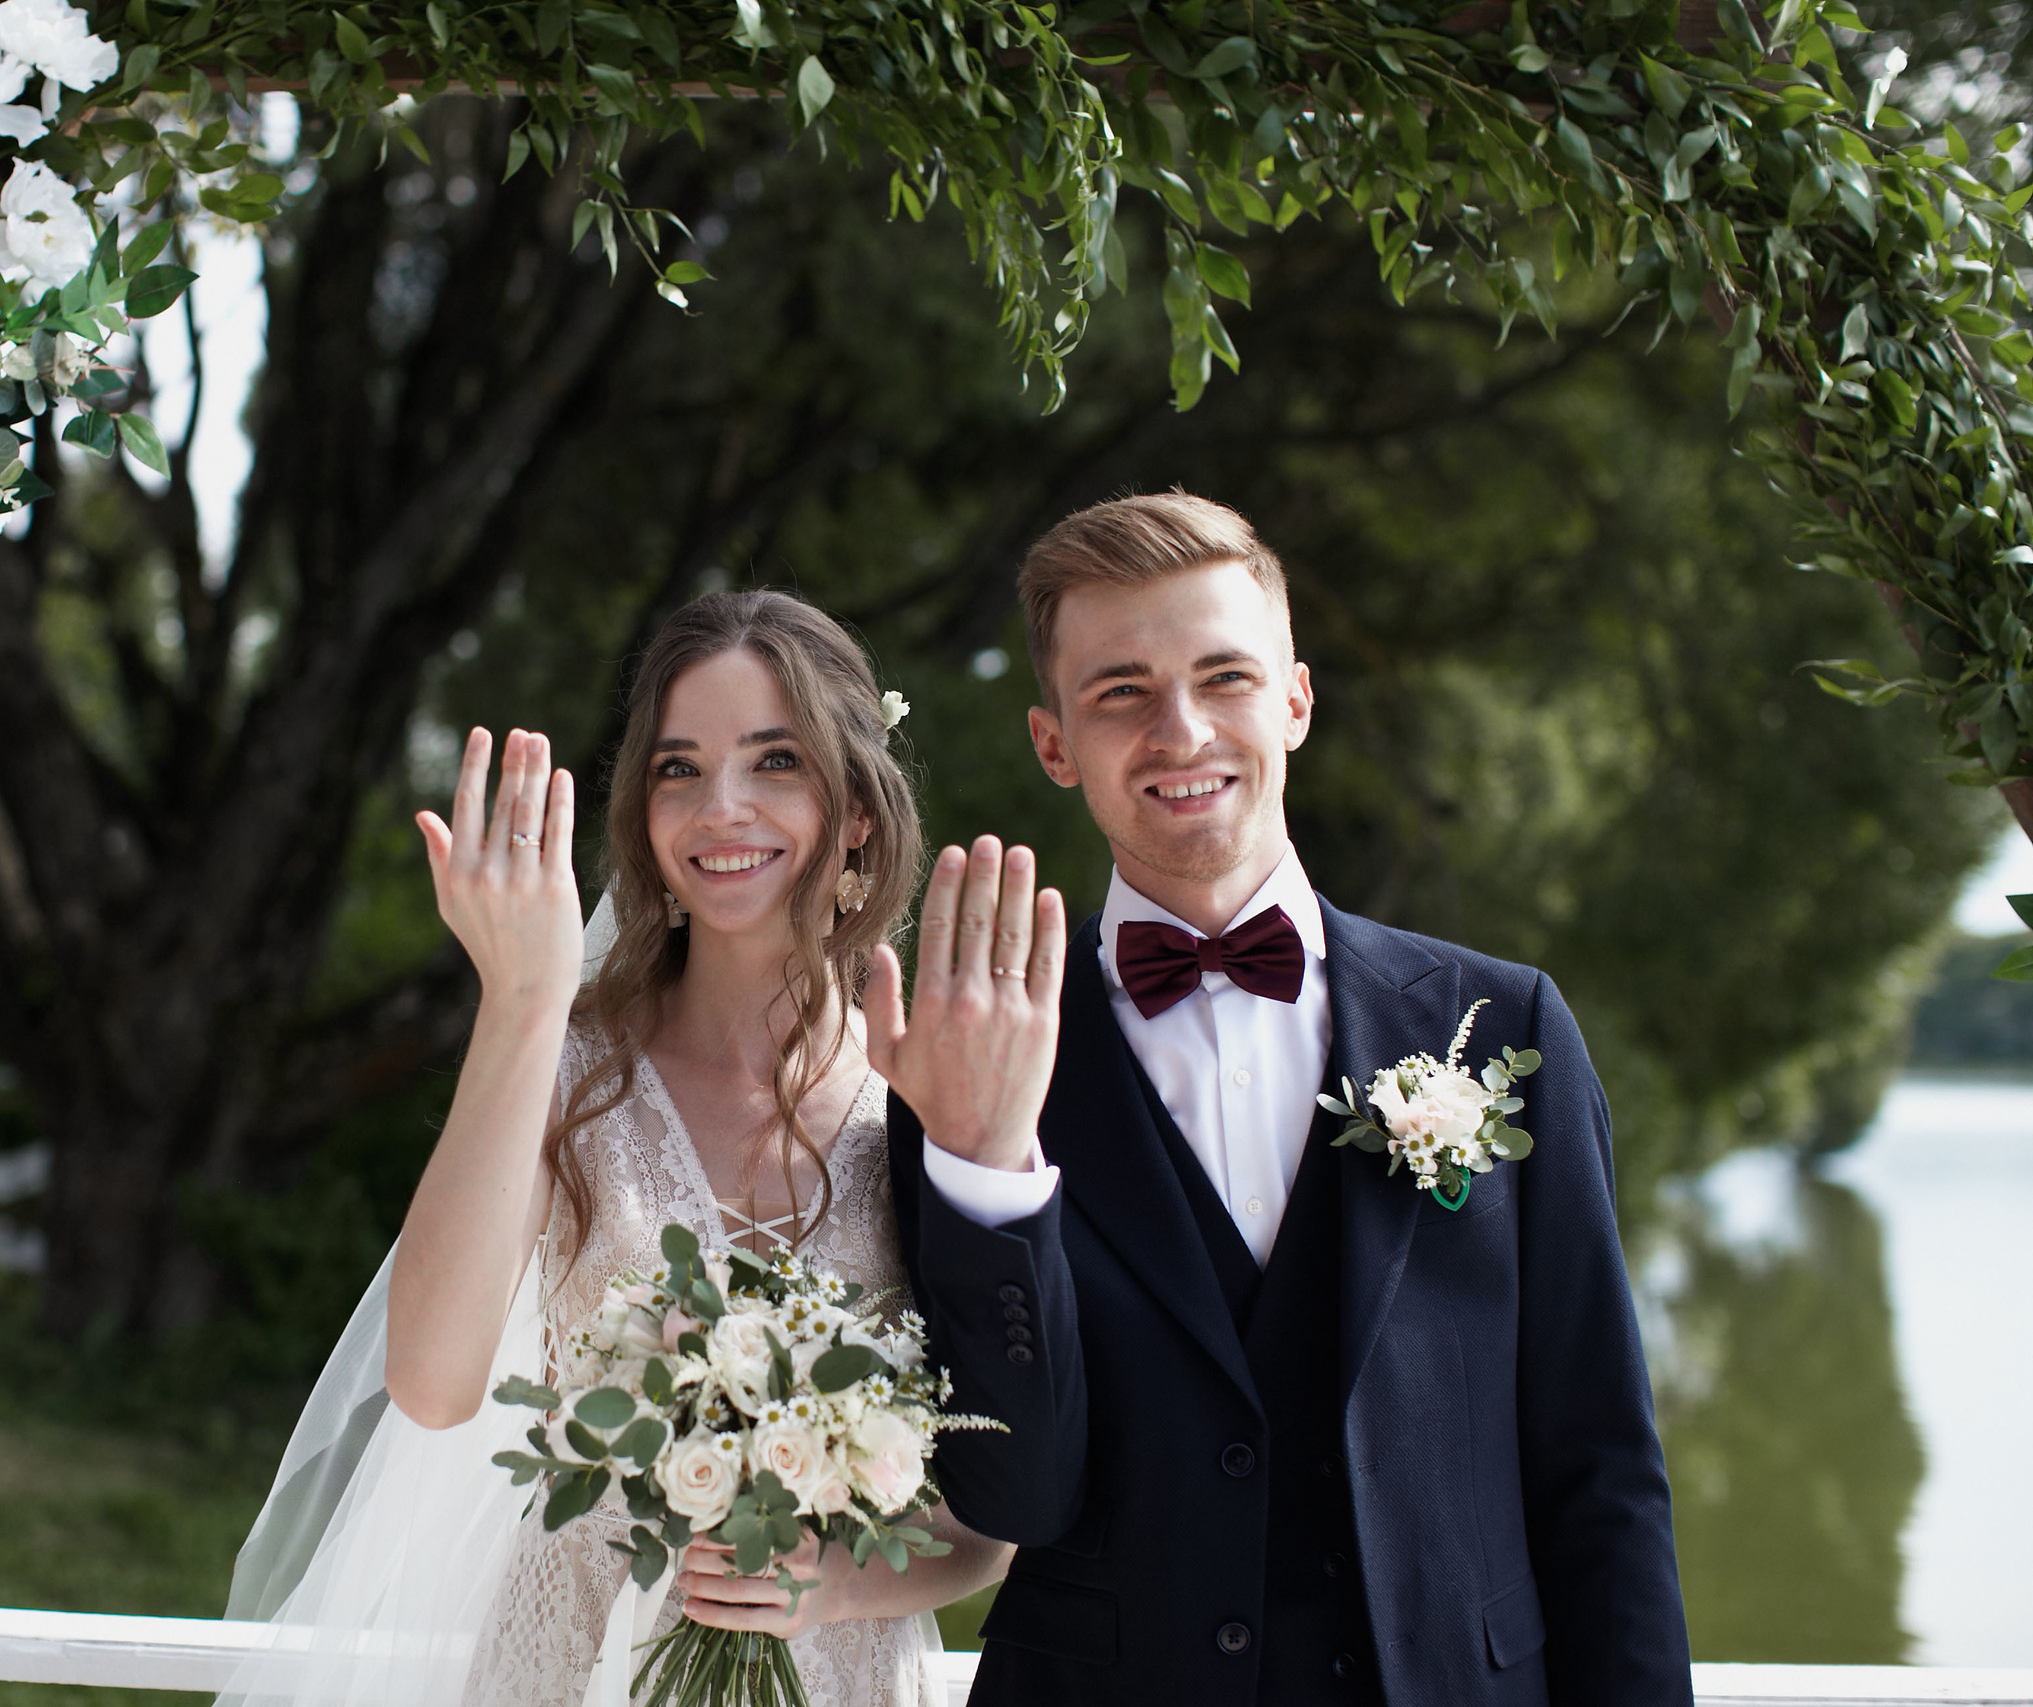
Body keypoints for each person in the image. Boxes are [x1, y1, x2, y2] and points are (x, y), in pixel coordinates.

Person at [864, 492, 1693, 1706]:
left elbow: (1600, 1472)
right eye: (1121, 693)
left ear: (1295, 702)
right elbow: (1016, 1499)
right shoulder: (961, 1066)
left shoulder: (1502, 1025)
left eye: (1224, 678)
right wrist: (986, 1160)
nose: (1181, 730)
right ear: (1054, 744)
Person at [220, 589, 1011, 1707]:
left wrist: (825, 1588)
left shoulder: (926, 1081)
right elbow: (435, 1385)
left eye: (774, 761)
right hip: (563, 1663)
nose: (720, 808)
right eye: (677, 769)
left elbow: (990, 1528)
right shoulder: (568, 1060)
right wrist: (522, 998)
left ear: (858, 812)